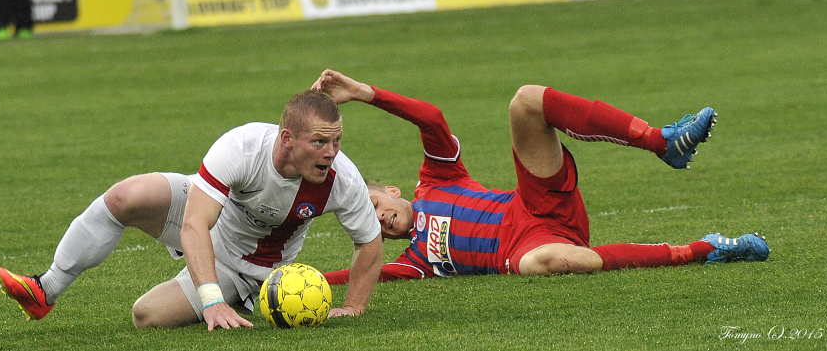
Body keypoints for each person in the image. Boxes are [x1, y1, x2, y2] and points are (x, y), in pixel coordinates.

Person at [311, 70, 769, 285]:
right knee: (543, 264)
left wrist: (366, 93)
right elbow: (353, 273)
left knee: (525, 101)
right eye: (371, 223)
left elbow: (431, 118)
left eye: (375, 206)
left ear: (392, 191)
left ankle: (660, 141)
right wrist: (286, 280)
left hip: (536, 203)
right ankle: (703, 249)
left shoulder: (435, 181)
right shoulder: (415, 262)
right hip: (529, 250)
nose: (379, 219)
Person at [0, 89, 383, 330]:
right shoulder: (242, 147)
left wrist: (354, 306)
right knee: (124, 197)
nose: (331, 153)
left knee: (146, 316)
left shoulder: (342, 178)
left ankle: (232, 297)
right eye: (320, 142)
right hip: (203, 213)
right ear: (287, 139)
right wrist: (211, 302)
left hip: (243, 269)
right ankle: (46, 289)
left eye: (336, 142)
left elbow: (369, 241)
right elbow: (195, 223)